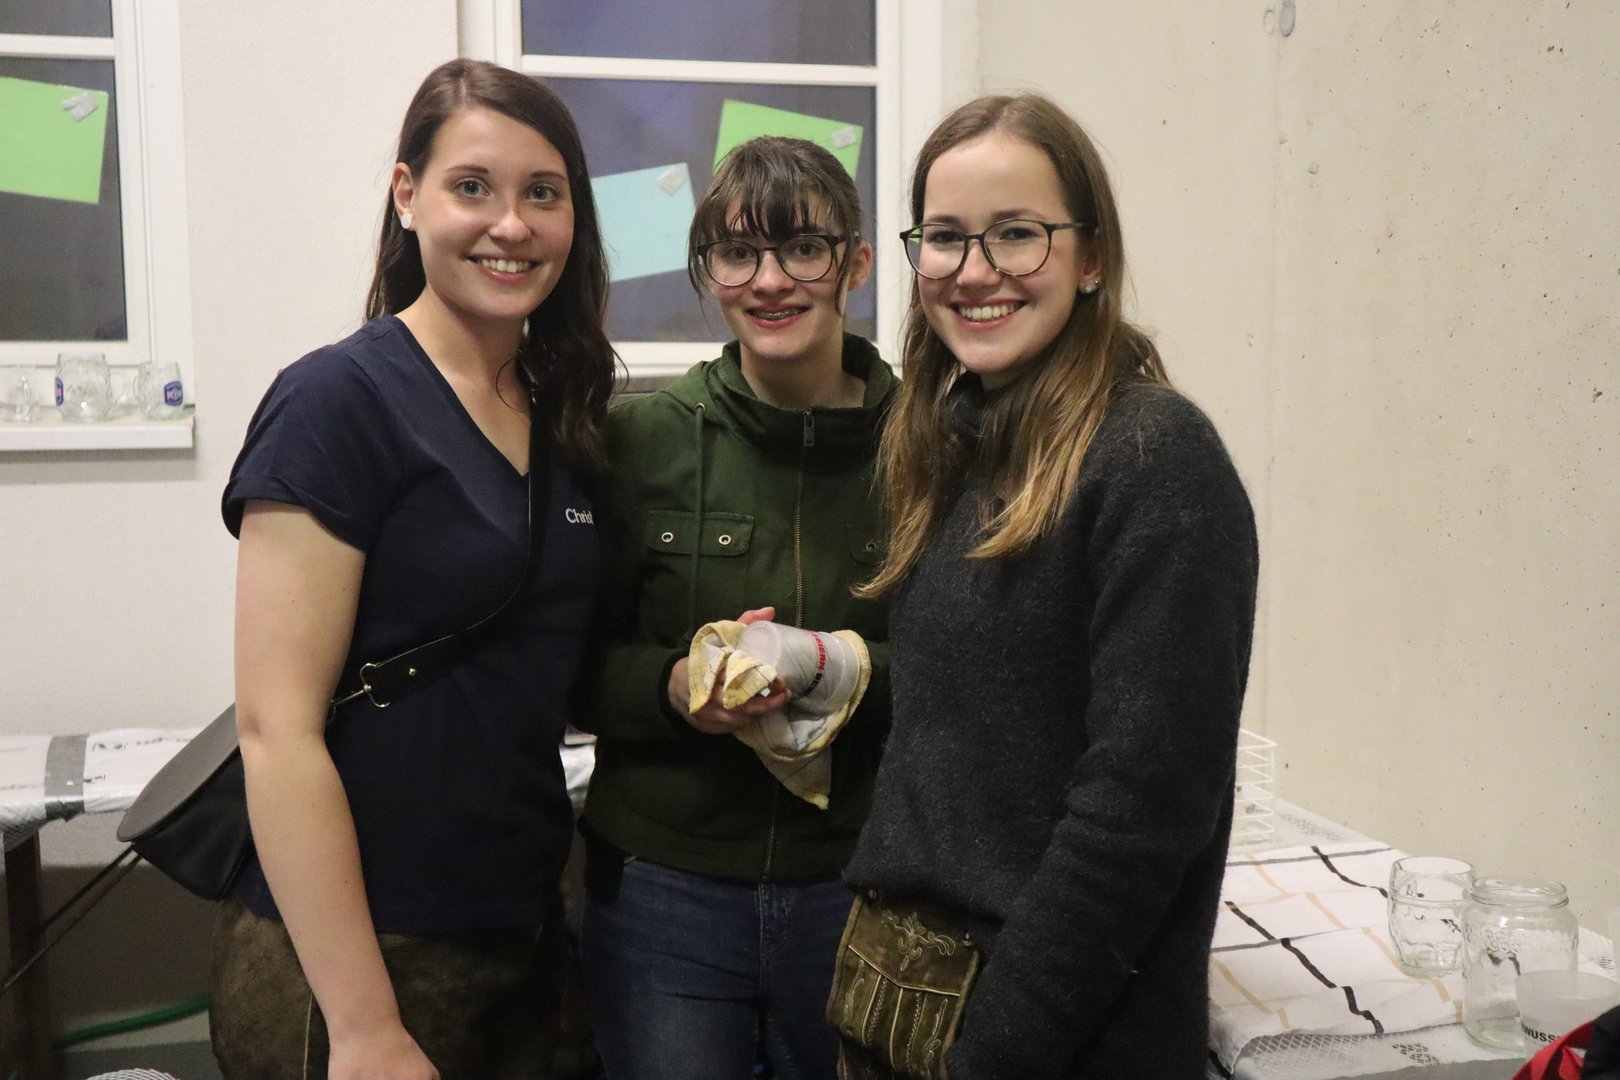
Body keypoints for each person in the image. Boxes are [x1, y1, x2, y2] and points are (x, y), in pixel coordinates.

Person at [838, 93, 1260, 1079]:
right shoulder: (955, 444)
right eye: (946, 237)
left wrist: (992, 1056)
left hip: (1046, 1039)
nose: (974, 270)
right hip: (903, 998)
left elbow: (1138, 816)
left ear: (1092, 256)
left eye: (1017, 233)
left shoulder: (1153, 457)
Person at [209, 59, 615, 1080]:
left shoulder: (562, 413)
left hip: (520, 929)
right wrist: (363, 1028)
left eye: (543, 193)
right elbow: (275, 731)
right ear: (407, 195)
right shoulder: (337, 403)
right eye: (472, 186)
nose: (511, 225)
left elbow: (546, 673)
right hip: (363, 960)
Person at [580, 135, 897, 1080]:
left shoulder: (928, 449)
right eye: (737, 253)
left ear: (856, 264)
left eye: (802, 248)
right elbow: (567, 668)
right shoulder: (638, 441)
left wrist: (840, 670)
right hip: (664, 891)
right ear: (707, 272)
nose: (769, 280)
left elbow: (975, 669)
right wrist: (673, 685)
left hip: (857, 883)